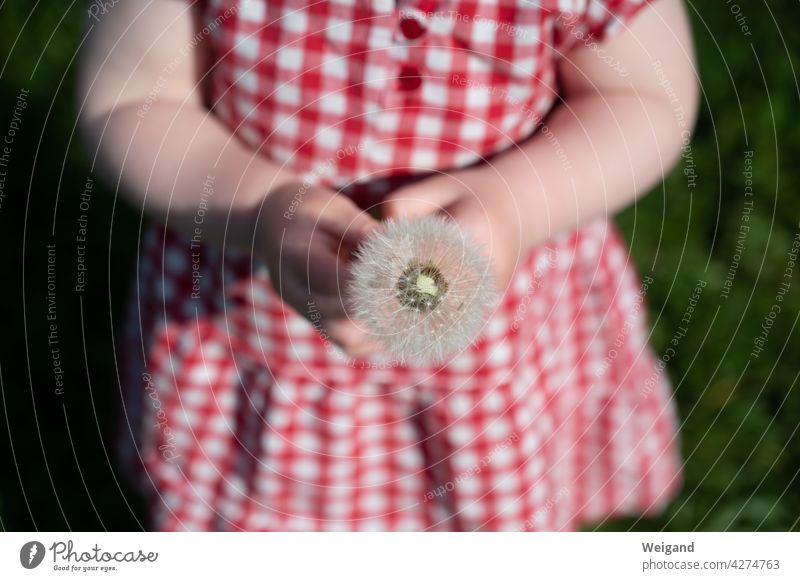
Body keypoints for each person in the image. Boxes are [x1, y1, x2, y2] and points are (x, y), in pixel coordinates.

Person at [77, 0, 698, 531]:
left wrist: (513, 205)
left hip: (502, 302)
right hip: (254, 303)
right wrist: (260, 210)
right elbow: (129, 98)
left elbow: (643, 97)